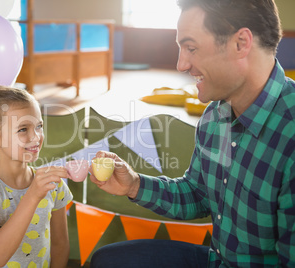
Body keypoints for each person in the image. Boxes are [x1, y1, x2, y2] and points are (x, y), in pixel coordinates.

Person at [89, 0, 295, 267]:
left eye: (191, 48)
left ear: (241, 43)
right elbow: (197, 194)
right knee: (108, 261)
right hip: (216, 260)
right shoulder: (214, 115)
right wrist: (134, 184)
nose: (181, 64)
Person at [0, 85, 73, 268]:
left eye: (39, 126)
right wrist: (33, 195)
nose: (35, 137)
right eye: (22, 129)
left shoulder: (53, 184)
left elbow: (60, 245)